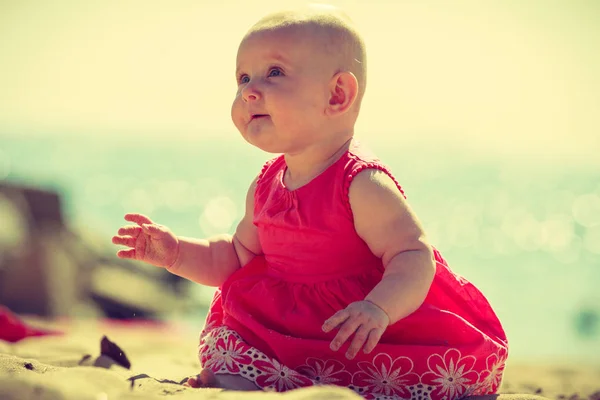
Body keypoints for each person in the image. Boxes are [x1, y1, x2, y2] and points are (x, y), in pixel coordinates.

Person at [112, 6, 510, 399]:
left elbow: (413, 254)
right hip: (288, 334)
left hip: (359, 334)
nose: (249, 90)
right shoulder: (265, 185)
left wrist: (379, 309)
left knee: (402, 381)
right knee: (231, 365)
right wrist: (176, 252)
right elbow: (236, 256)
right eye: (243, 77)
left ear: (338, 94)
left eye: (275, 73)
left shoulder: (361, 184)